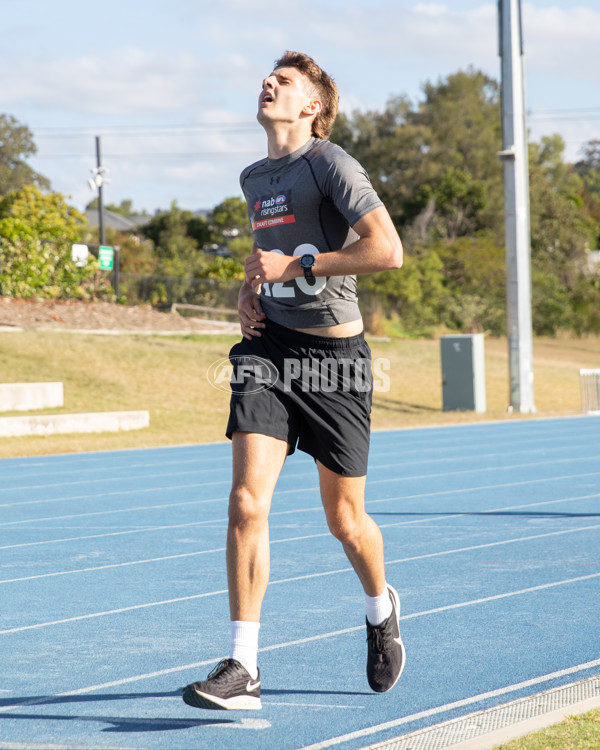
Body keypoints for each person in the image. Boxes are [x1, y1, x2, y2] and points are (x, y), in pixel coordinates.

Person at [183, 51, 404, 711]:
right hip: (269, 352)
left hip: (335, 360)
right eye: (268, 77)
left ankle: (379, 605)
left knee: (345, 519)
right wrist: (249, 291)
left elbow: (386, 250)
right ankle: (243, 666)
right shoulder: (254, 176)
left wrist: (295, 267)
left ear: (312, 106)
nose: (269, 83)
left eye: (286, 82)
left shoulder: (330, 163)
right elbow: (265, 255)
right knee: (247, 503)